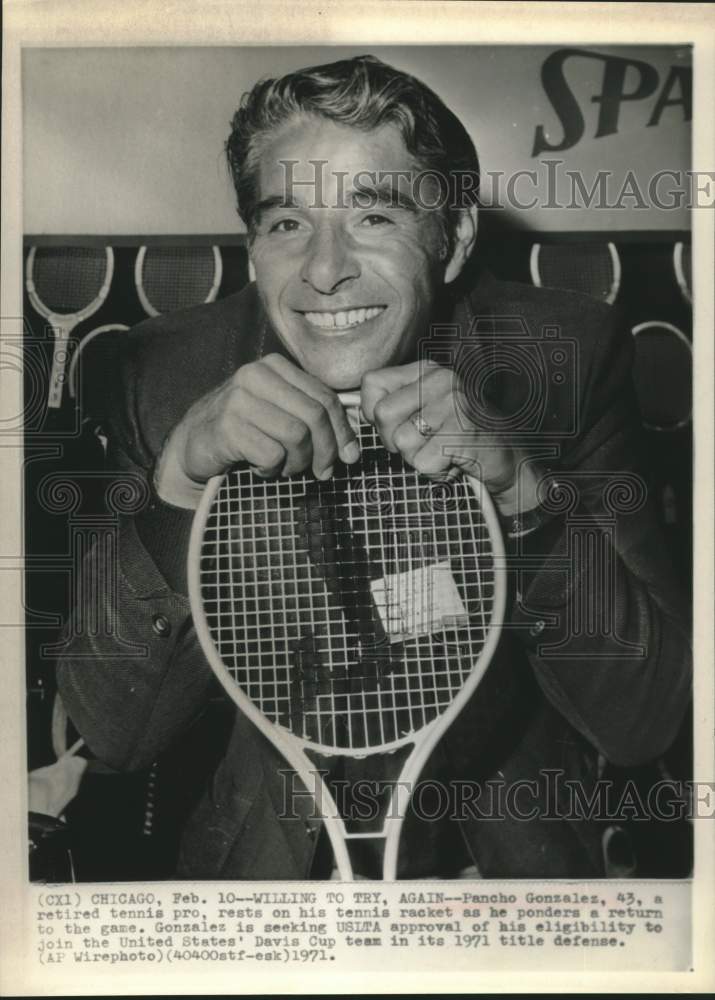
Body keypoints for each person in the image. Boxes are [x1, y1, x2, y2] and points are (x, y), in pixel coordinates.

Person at [56, 54, 691, 880]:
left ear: (453, 239)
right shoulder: (164, 376)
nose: (324, 270)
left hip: (501, 860)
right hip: (266, 867)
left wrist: (523, 493)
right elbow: (115, 734)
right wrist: (178, 485)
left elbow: (647, 720)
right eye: (287, 224)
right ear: (252, 247)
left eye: (374, 216)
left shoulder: (561, 359)